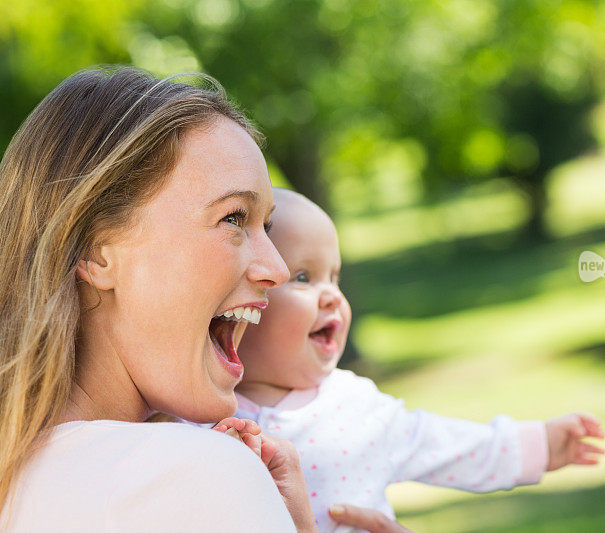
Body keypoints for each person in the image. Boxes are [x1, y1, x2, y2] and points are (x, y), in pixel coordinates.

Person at [0, 66, 405, 533]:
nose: (275, 268)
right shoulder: (201, 474)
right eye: (234, 218)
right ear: (96, 252)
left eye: (267, 226)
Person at [232, 188, 605, 532]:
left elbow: (448, 446)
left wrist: (539, 444)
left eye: (335, 277)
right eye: (302, 277)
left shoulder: (357, 408)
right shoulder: (200, 413)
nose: (331, 295)